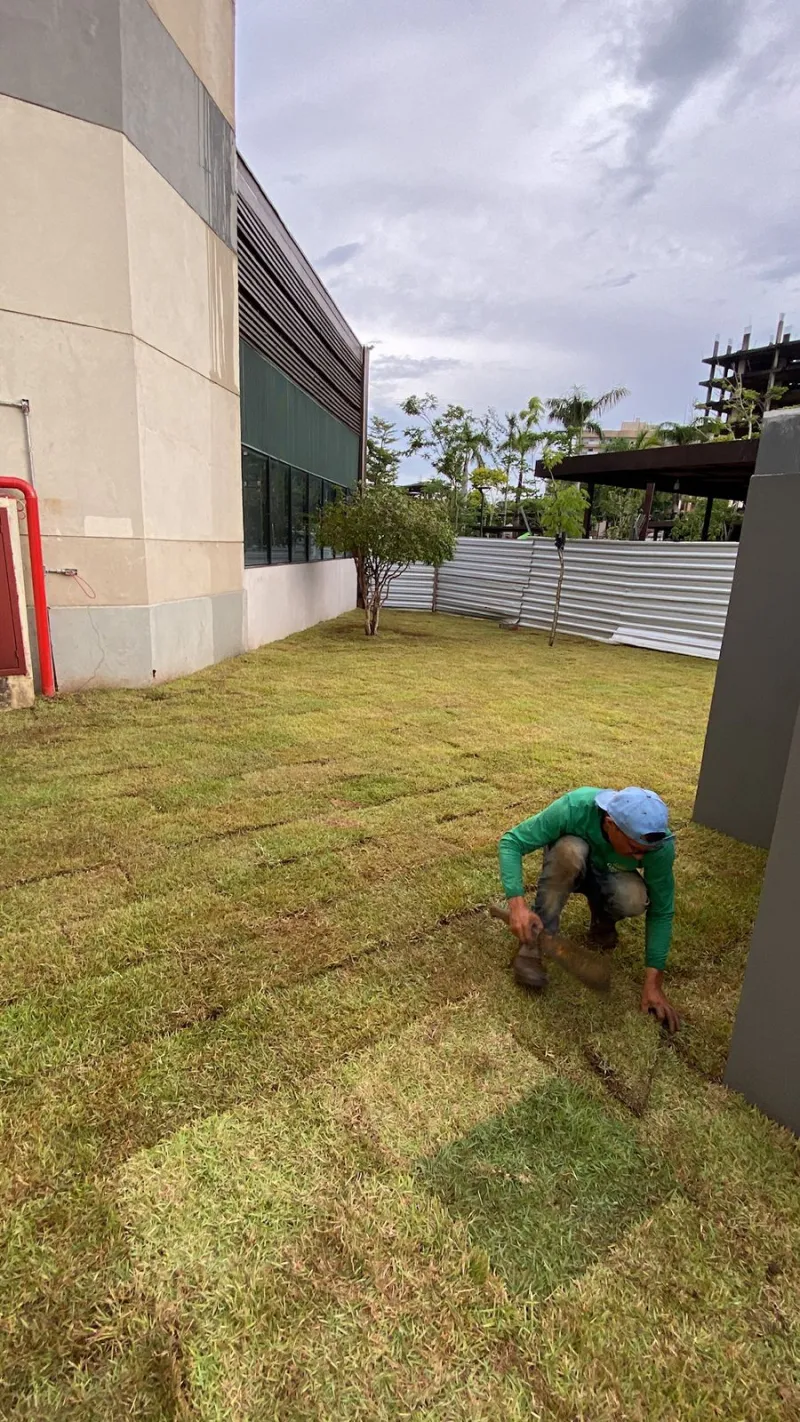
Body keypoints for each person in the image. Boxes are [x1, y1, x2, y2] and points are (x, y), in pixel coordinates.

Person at [498, 786, 679, 1032]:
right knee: (569, 851)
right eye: (634, 848)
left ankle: (603, 919)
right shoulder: (574, 808)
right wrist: (517, 906)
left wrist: (654, 983)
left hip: (608, 875)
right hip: (568, 865)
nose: (639, 858)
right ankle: (533, 943)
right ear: (611, 824)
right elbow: (511, 842)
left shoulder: (657, 845)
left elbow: (662, 910)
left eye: (644, 852)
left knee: (635, 896)